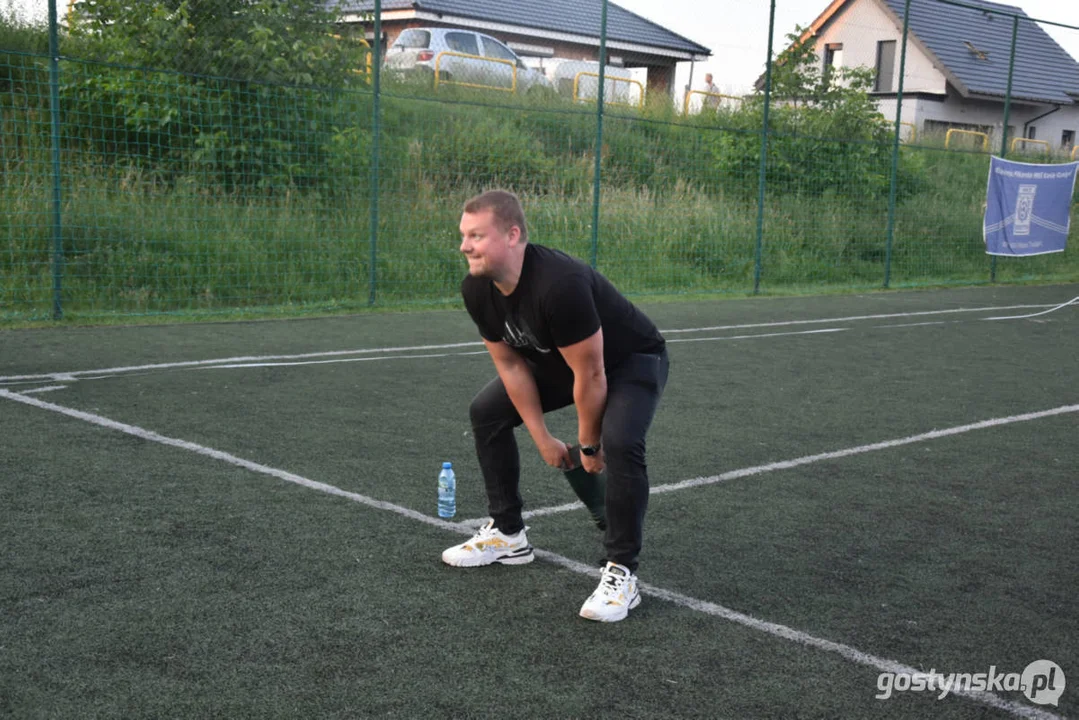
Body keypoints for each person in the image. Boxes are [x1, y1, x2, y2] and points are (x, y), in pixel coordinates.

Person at [441, 189, 669, 623]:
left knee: (619, 442)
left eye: (476, 235)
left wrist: (588, 445)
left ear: (512, 235)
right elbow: (510, 365)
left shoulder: (559, 284)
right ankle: (508, 535)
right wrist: (541, 436)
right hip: (564, 362)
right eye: (463, 235)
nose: (464, 245)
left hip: (631, 360)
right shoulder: (477, 288)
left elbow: (594, 374)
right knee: (486, 411)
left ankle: (622, 571)